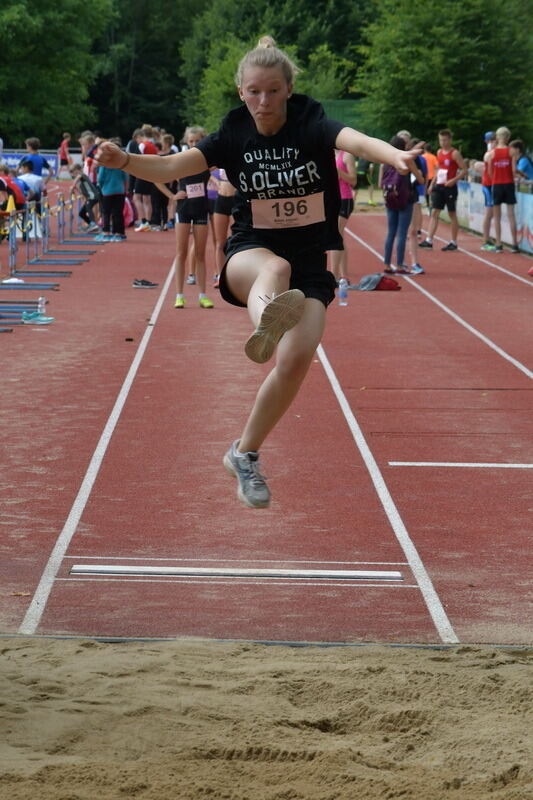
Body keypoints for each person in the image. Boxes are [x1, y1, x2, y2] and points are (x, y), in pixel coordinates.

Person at [96, 36, 422, 508]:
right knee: (275, 265)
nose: (263, 101)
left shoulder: (311, 123)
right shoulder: (230, 135)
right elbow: (169, 165)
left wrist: (396, 156)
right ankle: (268, 323)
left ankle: (244, 453)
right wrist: (124, 160)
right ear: (240, 91)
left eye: (272, 91)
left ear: (289, 89)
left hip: (311, 260)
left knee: (295, 361)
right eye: (254, 92)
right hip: (252, 251)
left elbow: (356, 141)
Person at [155, 125, 215, 309]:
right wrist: (172, 196)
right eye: (191, 141)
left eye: (197, 141)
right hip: (183, 208)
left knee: (200, 254)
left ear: (202, 140)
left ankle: (203, 295)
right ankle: (179, 295)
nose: (194, 144)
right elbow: (158, 177)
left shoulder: (207, 161)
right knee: (181, 253)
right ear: (186, 142)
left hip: (201, 209)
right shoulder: (180, 161)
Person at [380, 135, 424, 274]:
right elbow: (420, 179)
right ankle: (399, 265)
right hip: (406, 199)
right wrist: (420, 176)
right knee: (402, 233)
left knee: (391, 232)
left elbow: (379, 183)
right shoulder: (406, 161)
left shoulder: (385, 162)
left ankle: (387, 264)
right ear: (403, 147)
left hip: (390, 199)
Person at [419, 129, 466, 251]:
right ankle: (429, 240)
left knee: (452, 214)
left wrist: (453, 180)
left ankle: (454, 242)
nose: (443, 142)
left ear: (450, 140)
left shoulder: (455, 153)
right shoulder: (439, 152)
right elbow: (438, 169)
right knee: (434, 212)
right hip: (439, 186)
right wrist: (431, 184)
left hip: (450, 187)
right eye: (441, 140)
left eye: (445, 140)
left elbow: (464, 170)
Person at [486, 127, 519, 253]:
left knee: (497, 216)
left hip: (497, 184)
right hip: (509, 184)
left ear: (497, 138)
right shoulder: (512, 151)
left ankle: (498, 244)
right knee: (511, 215)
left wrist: (495, 177)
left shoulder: (492, 153)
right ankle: (514, 244)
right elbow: (514, 170)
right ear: (508, 138)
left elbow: (489, 172)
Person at [330, 150, 356, 280]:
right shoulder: (329, 153)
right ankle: (343, 274)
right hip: (332, 199)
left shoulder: (347, 155)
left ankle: (333, 276)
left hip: (344, 199)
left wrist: (338, 172)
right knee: (339, 236)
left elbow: (353, 180)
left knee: (335, 236)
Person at [96, 138, 128, 242]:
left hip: (107, 191)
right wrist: (125, 189)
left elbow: (100, 177)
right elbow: (125, 177)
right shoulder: (121, 162)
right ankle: (119, 233)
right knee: (118, 212)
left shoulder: (104, 162)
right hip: (120, 190)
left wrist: (101, 186)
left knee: (106, 212)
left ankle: (106, 232)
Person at [212, 167, 237, 287]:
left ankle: (234, 275)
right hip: (221, 200)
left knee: (235, 240)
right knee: (220, 243)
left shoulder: (237, 158)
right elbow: (204, 169)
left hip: (235, 200)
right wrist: (216, 181)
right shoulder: (220, 160)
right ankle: (220, 276)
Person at [406, 137, 427, 273]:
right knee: (400, 232)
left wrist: (422, 186)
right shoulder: (401, 158)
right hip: (399, 198)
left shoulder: (421, 160)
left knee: (412, 231)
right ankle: (394, 263)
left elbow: (423, 177)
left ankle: (414, 262)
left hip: (413, 194)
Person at [134, 127, 158, 231]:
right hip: (151, 172)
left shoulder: (142, 145)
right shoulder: (153, 146)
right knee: (147, 199)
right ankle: (148, 222)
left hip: (142, 172)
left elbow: (139, 159)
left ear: (140, 136)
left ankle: (143, 221)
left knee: (136, 198)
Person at [479, 131, 496, 251]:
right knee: (489, 213)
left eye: (494, 140)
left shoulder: (494, 152)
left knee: (493, 213)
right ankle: (485, 240)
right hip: (488, 185)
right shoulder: (489, 153)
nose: (493, 142)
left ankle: (488, 238)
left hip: (493, 184)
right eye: (490, 140)